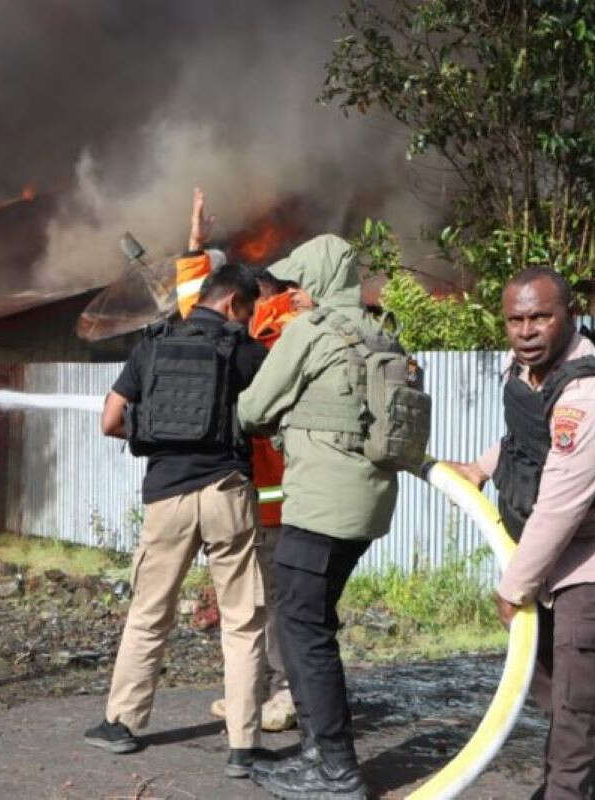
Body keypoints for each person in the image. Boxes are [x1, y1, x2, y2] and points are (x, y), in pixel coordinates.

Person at [446, 267, 595, 800]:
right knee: (549, 679)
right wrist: (480, 468)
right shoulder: (528, 369)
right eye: (515, 319)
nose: (527, 330)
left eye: (540, 317)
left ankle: (566, 789)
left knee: (573, 701)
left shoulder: (591, 396)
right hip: (563, 547)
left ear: (569, 315)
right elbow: (526, 438)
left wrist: (514, 585)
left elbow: (561, 504)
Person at [83, 253, 272, 779]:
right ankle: (244, 745)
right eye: (248, 312)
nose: (248, 321)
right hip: (227, 494)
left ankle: (121, 725)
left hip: (165, 497)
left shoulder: (153, 346)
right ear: (234, 303)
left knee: (149, 611)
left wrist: (153, 435)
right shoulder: (247, 353)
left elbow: (111, 420)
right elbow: (269, 416)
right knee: (242, 620)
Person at [237, 235, 401, 800]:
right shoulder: (381, 332)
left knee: (302, 629)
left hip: (321, 505)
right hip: (369, 503)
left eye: (296, 283)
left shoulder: (311, 331)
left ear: (317, 284)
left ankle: (333, 769)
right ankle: (317, 755)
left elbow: (253, 407)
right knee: (309, 621)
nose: (291, 294)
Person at [210, 267, 315, 733]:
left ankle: (286, 696)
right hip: (262, 500)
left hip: (277, 503)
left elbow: (206, 308)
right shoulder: (282, 331)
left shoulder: (279, 333)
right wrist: (194, 250)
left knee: (275, 605)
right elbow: (204, 305)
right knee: (257, 603)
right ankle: (255, 691)